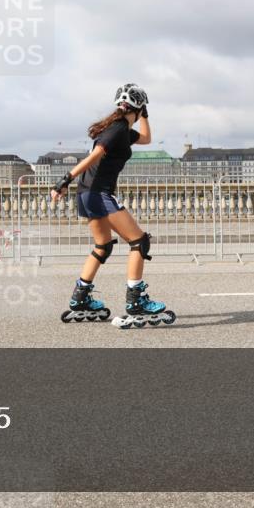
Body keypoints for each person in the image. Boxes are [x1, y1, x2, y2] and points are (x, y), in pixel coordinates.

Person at [51, 83, 175, 328]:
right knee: (140, 241)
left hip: (86, 195)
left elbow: (147, 138)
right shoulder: (117, 130)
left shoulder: (122, 130)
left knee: (103, 246)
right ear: (137, 110)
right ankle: (136, 301)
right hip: (98, 193)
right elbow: (95, 155)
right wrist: (64, 180)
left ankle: (80, 299)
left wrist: (145, 114)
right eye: (142, 111)